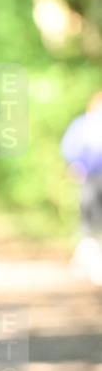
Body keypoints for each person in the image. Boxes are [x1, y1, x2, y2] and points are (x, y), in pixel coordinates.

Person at [61, 91, 102, 285]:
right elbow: (70, 147)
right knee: (89, 217)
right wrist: (76, 164)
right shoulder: (82, 125)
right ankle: (87, 259)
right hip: (91, 176)